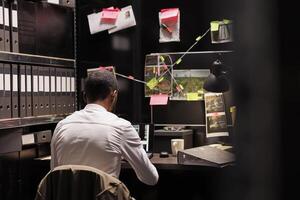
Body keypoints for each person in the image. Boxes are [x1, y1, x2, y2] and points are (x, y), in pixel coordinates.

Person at [51, 70, 159, 185]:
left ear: (84, 96)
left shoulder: (61, 126)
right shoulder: (121, 127)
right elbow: (151, 178)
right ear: (114, 95)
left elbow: (53, 174)